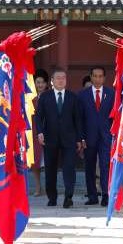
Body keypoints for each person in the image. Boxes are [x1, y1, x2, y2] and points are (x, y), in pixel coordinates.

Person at [35, 68, 82, 208]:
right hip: (50, 138)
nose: (61, 80)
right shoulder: (45, 97)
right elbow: (39, 116)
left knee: (69, 168)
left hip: (69, 138)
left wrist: (80, 138)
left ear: (66, 81)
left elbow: (77, 119)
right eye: (58, 78)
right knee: (50, 169)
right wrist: (40, 132)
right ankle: (52, 197)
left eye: (63, 78)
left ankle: (68, 196)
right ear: (52, 81)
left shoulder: (73, 97)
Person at [78, 66, 114, 206]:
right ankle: (92, 195)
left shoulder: (112, 94)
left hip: (106, 136)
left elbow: (115, 117)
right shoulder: (82, 95)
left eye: (100, 76)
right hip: (88, 137)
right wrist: (81, 138)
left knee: (105, 166)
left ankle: (106, 194)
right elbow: (79, 118)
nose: (98, 79)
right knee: (89, 167)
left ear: (104, 78)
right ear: (91, 77)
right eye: (95, 76)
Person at [31, 69, 50, 197]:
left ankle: (49, 187)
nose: (40, 85)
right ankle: (38, 187)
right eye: (38, 82)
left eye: (43, 82)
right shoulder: (30, 98)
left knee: (49, 161)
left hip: (49, 132)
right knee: (35, 162)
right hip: (34, 132)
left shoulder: (51, 96)